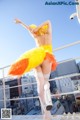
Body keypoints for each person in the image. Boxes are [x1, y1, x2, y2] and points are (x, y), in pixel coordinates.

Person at [13, 19, 57, 120]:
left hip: (38, 57)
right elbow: (49, 21)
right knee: (44, 82)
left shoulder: (36, 35)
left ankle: (46, 112)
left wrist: (21, 22)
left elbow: (30, 28)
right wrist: (21, 23)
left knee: (40, 82)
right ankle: (47, 101)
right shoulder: (48, 33)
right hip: (45, 57)